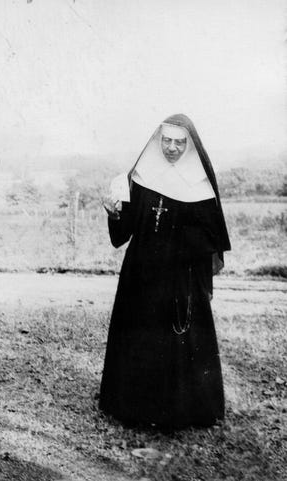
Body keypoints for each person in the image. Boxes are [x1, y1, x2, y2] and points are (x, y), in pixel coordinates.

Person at [99, 114, 231, 429]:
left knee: (178, 341)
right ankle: (131, 407)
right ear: (159, 141)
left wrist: (182, 251)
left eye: (180, 142)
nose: (172, 148)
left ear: (190, 145)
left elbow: (210, 237)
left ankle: (182, 411)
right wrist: (115, 213)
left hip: (180, 277)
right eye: (167, 141)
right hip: (140, 274)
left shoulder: (199, 186)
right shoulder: (143, 177)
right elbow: (124, 232)